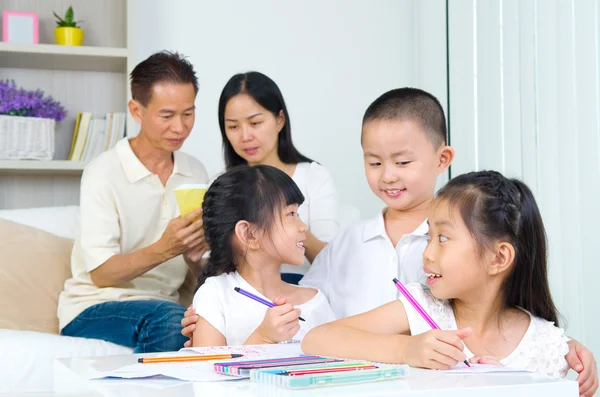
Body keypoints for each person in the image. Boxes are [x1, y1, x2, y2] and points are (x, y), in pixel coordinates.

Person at [182, 87, 597, 395]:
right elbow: (311, 321)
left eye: (402, 161)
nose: (388, 175)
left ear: (442, 159)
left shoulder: (475, 232)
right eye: (374, 162)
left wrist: (560, 346)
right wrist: (220, 312)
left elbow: (514, 306)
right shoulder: (345, 247)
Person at [302, 171, 569, 378]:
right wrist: (406, 349)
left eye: (442, 238)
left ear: (499, 258)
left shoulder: (549, 347)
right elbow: (316, 339)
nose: (426, 253)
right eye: (428, 236)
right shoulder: (422, 307)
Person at [57, 51, 209, 353]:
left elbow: (194, 267)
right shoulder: (104, 172)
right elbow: (101, 274)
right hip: (96, 307)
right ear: (136, 111)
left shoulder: (195, 171)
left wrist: (197, 257)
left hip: (166, 307)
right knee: (170, 322)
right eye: (166, 116)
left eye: (188, 113)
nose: (179, 127)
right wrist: (166, 248)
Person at [191, 165, 335, 346]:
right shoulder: (216, 296)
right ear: (249, 234)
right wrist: (263, 338)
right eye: (291, 214)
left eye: (297, 213)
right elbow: (206, 371)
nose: (303, 226)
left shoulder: (315, 301)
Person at [218, 71, 339, 277]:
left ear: (280, 120)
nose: (245, 136)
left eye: (255, 123)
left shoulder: (313, 177)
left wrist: (288, 222)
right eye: (233, 126)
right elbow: (213, 275)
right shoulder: (221, 186)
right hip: (244, 297)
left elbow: (332, 264)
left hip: (302, 289)